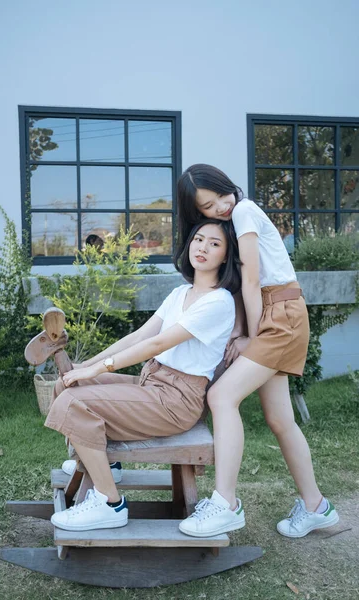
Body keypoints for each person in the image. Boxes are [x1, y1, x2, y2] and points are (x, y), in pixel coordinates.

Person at [176, 164, 339, 539]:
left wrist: (251, 334)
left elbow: (251, 282)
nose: (221, 205)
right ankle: (316, 506)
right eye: (208, 205)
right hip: (277, 312)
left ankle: (225, 503)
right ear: (197, 212)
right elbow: (241, 287)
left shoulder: (245, 210)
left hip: (278, 315)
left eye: (221, 194)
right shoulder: (232, 223)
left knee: (221, 396)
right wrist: (239, 329)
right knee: (280, 419)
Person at [45, 219, 241, 532]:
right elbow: (140, 335)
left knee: (73, 403)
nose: (203, 247)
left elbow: (158, 342)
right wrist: (87, 367)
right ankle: (108, 467)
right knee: (66, 385)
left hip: (176, 400)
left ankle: (109, 503)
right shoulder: (181, 293)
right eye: (199, 239)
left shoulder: (219, 301)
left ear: (226, 256)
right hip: (153, 383)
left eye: (214, 244)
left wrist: (100, 367)